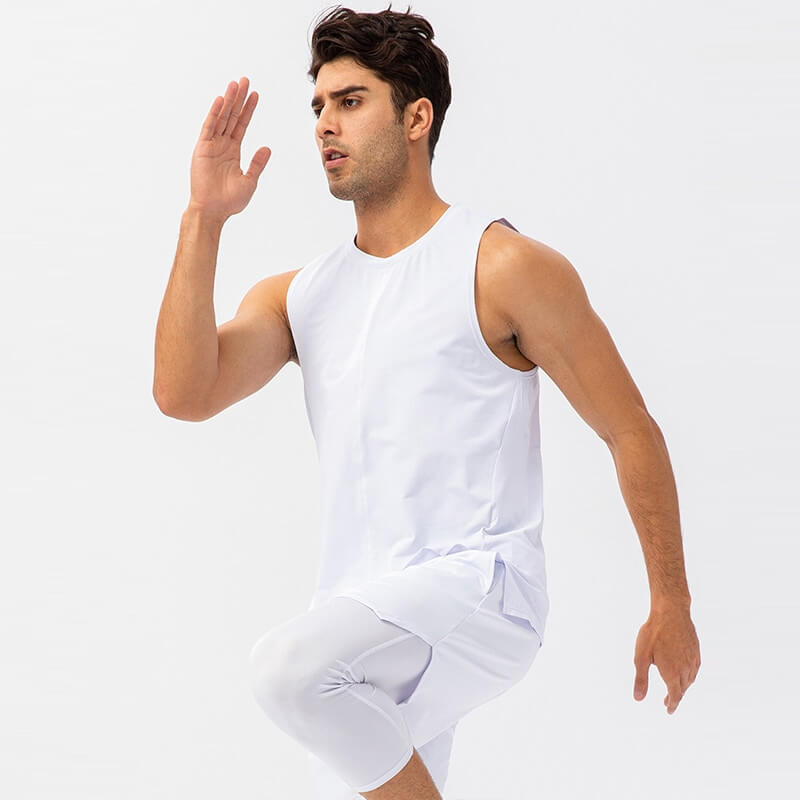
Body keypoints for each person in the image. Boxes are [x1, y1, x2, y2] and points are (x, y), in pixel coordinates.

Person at [153, 5, 701, 799]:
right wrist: (204, 218)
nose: (324, 126)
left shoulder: (503, 267)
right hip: (361, 617)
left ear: (417, 117)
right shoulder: (300, 296)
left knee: (286, 673)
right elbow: (183, 393)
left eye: (350, 100)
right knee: (320, 697)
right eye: (318, 106)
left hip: (482, 592)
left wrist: (671, 600)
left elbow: (630, 429)